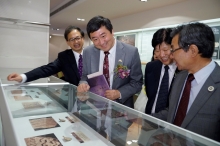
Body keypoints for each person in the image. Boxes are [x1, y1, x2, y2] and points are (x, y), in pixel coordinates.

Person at [153, 22, 220, 142]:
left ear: (193, 50)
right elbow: (173, 111)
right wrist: (142, 118)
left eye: (173, 50)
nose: (171, 56)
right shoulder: (181, 77)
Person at [77, 16, 143, 108]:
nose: (101, 42)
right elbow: (85, 76)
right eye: (95, 39)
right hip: (95, 106)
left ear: (112, 31)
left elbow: (137, 83)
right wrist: (83, 83)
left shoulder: (131, 52)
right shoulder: (88, 52)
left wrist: (119, 93)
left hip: (121, 108)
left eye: (103, 36)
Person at [7, 26, 84, 86]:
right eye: (72, 39)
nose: (76, 41)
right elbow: (45, 69)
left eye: (78, 38)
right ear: (67, 42)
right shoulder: (64, 57)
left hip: (92, 97)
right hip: (71, 97)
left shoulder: (93, 54)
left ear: (82, 38)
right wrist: (23, 77)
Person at [144, 28, 179, 115]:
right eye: (157, 51)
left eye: (165, 50)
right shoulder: (150, 67)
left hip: (171, 123)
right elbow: (150, 95)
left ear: (173, 47)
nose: (162, 55)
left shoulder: (182, 70)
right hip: (149, 119)